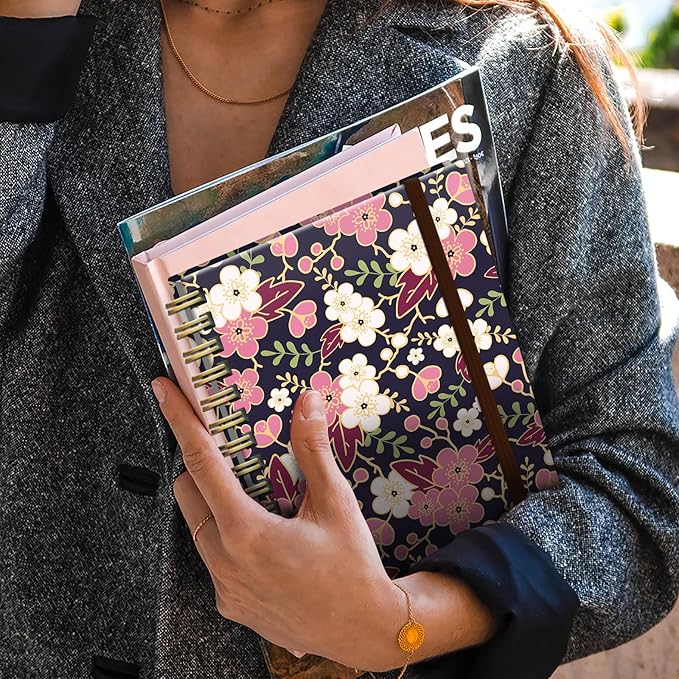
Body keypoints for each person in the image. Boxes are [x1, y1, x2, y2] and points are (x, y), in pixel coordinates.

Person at [0, 1, 677, 678]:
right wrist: (24, 40)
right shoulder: (42, 26)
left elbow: (634, 485)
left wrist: (400, 621)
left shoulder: (526, 67)